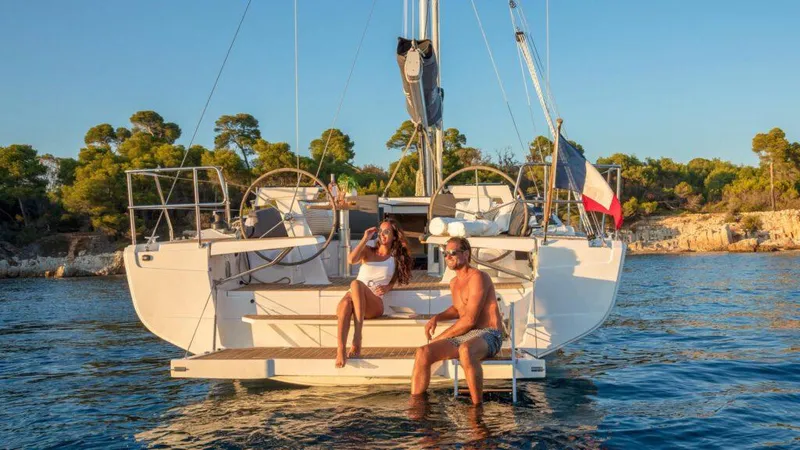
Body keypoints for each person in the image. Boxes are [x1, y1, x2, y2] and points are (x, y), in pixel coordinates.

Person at [410, 236, 503, 405]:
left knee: (465, 350)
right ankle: (416, 408)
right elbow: (458, 308)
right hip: (467, 336)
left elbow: (469, 320)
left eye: (453, 253)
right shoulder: (454, 282)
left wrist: (438, 339)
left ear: (466, 254)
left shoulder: (478, 277)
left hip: (489, 334)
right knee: (423, 352)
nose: (448, 257)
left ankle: (477, 408)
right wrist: (437, 317)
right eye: (445, 253)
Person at [335, 218, 412, 368]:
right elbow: (351, 260)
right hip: (354, 296)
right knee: (345, 303)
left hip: (374, 302)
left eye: (387, 232)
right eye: (380, 231)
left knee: (356, 283)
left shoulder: (396, 258)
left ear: (394, 236)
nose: (382, 235)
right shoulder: (368, 251)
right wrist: (365, 238)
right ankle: (341, 349)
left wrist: (388, 287)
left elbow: (394, 279)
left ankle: (357, 337)